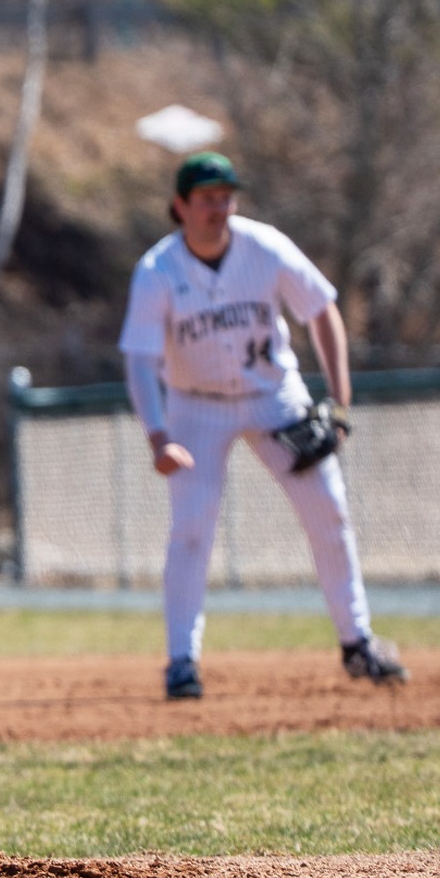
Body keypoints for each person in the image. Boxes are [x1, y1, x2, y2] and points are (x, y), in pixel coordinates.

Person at [116, 151, 408, 699]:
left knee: (329, 510)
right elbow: (139, 359)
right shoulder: (158, 271)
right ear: (180, 206)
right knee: (192, 528)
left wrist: (338, 402)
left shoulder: (265, 247)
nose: (218, 208)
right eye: (206, 198)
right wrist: (158, 435)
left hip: (274, 396)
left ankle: (357, 642)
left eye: (226, 197)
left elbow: (321, 310)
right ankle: (182, 661)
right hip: (196, 405)